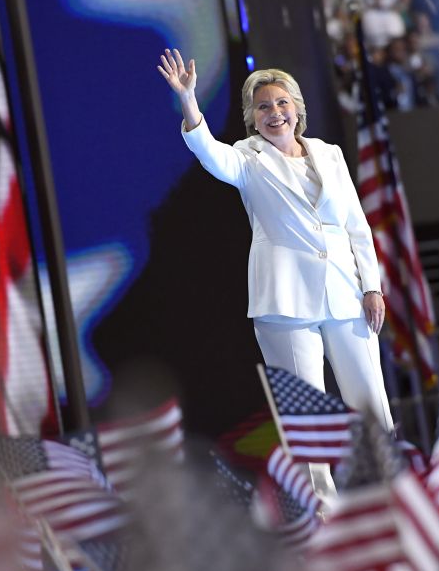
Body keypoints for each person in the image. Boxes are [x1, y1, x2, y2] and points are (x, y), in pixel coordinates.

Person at [157, 49, 393, 430]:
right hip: (286, 302)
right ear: (253, 118)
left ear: (297, 108)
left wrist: (372, 287)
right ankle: (319, 493)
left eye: (282, 102)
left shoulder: (329, 154)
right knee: (306, 420)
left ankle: (393, 486)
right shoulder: (246, 158)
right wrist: (187, 99)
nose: (275, 112)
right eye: (263, 106)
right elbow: (209, 153)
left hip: (347, 293)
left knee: (372, 406)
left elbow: (357, 227)